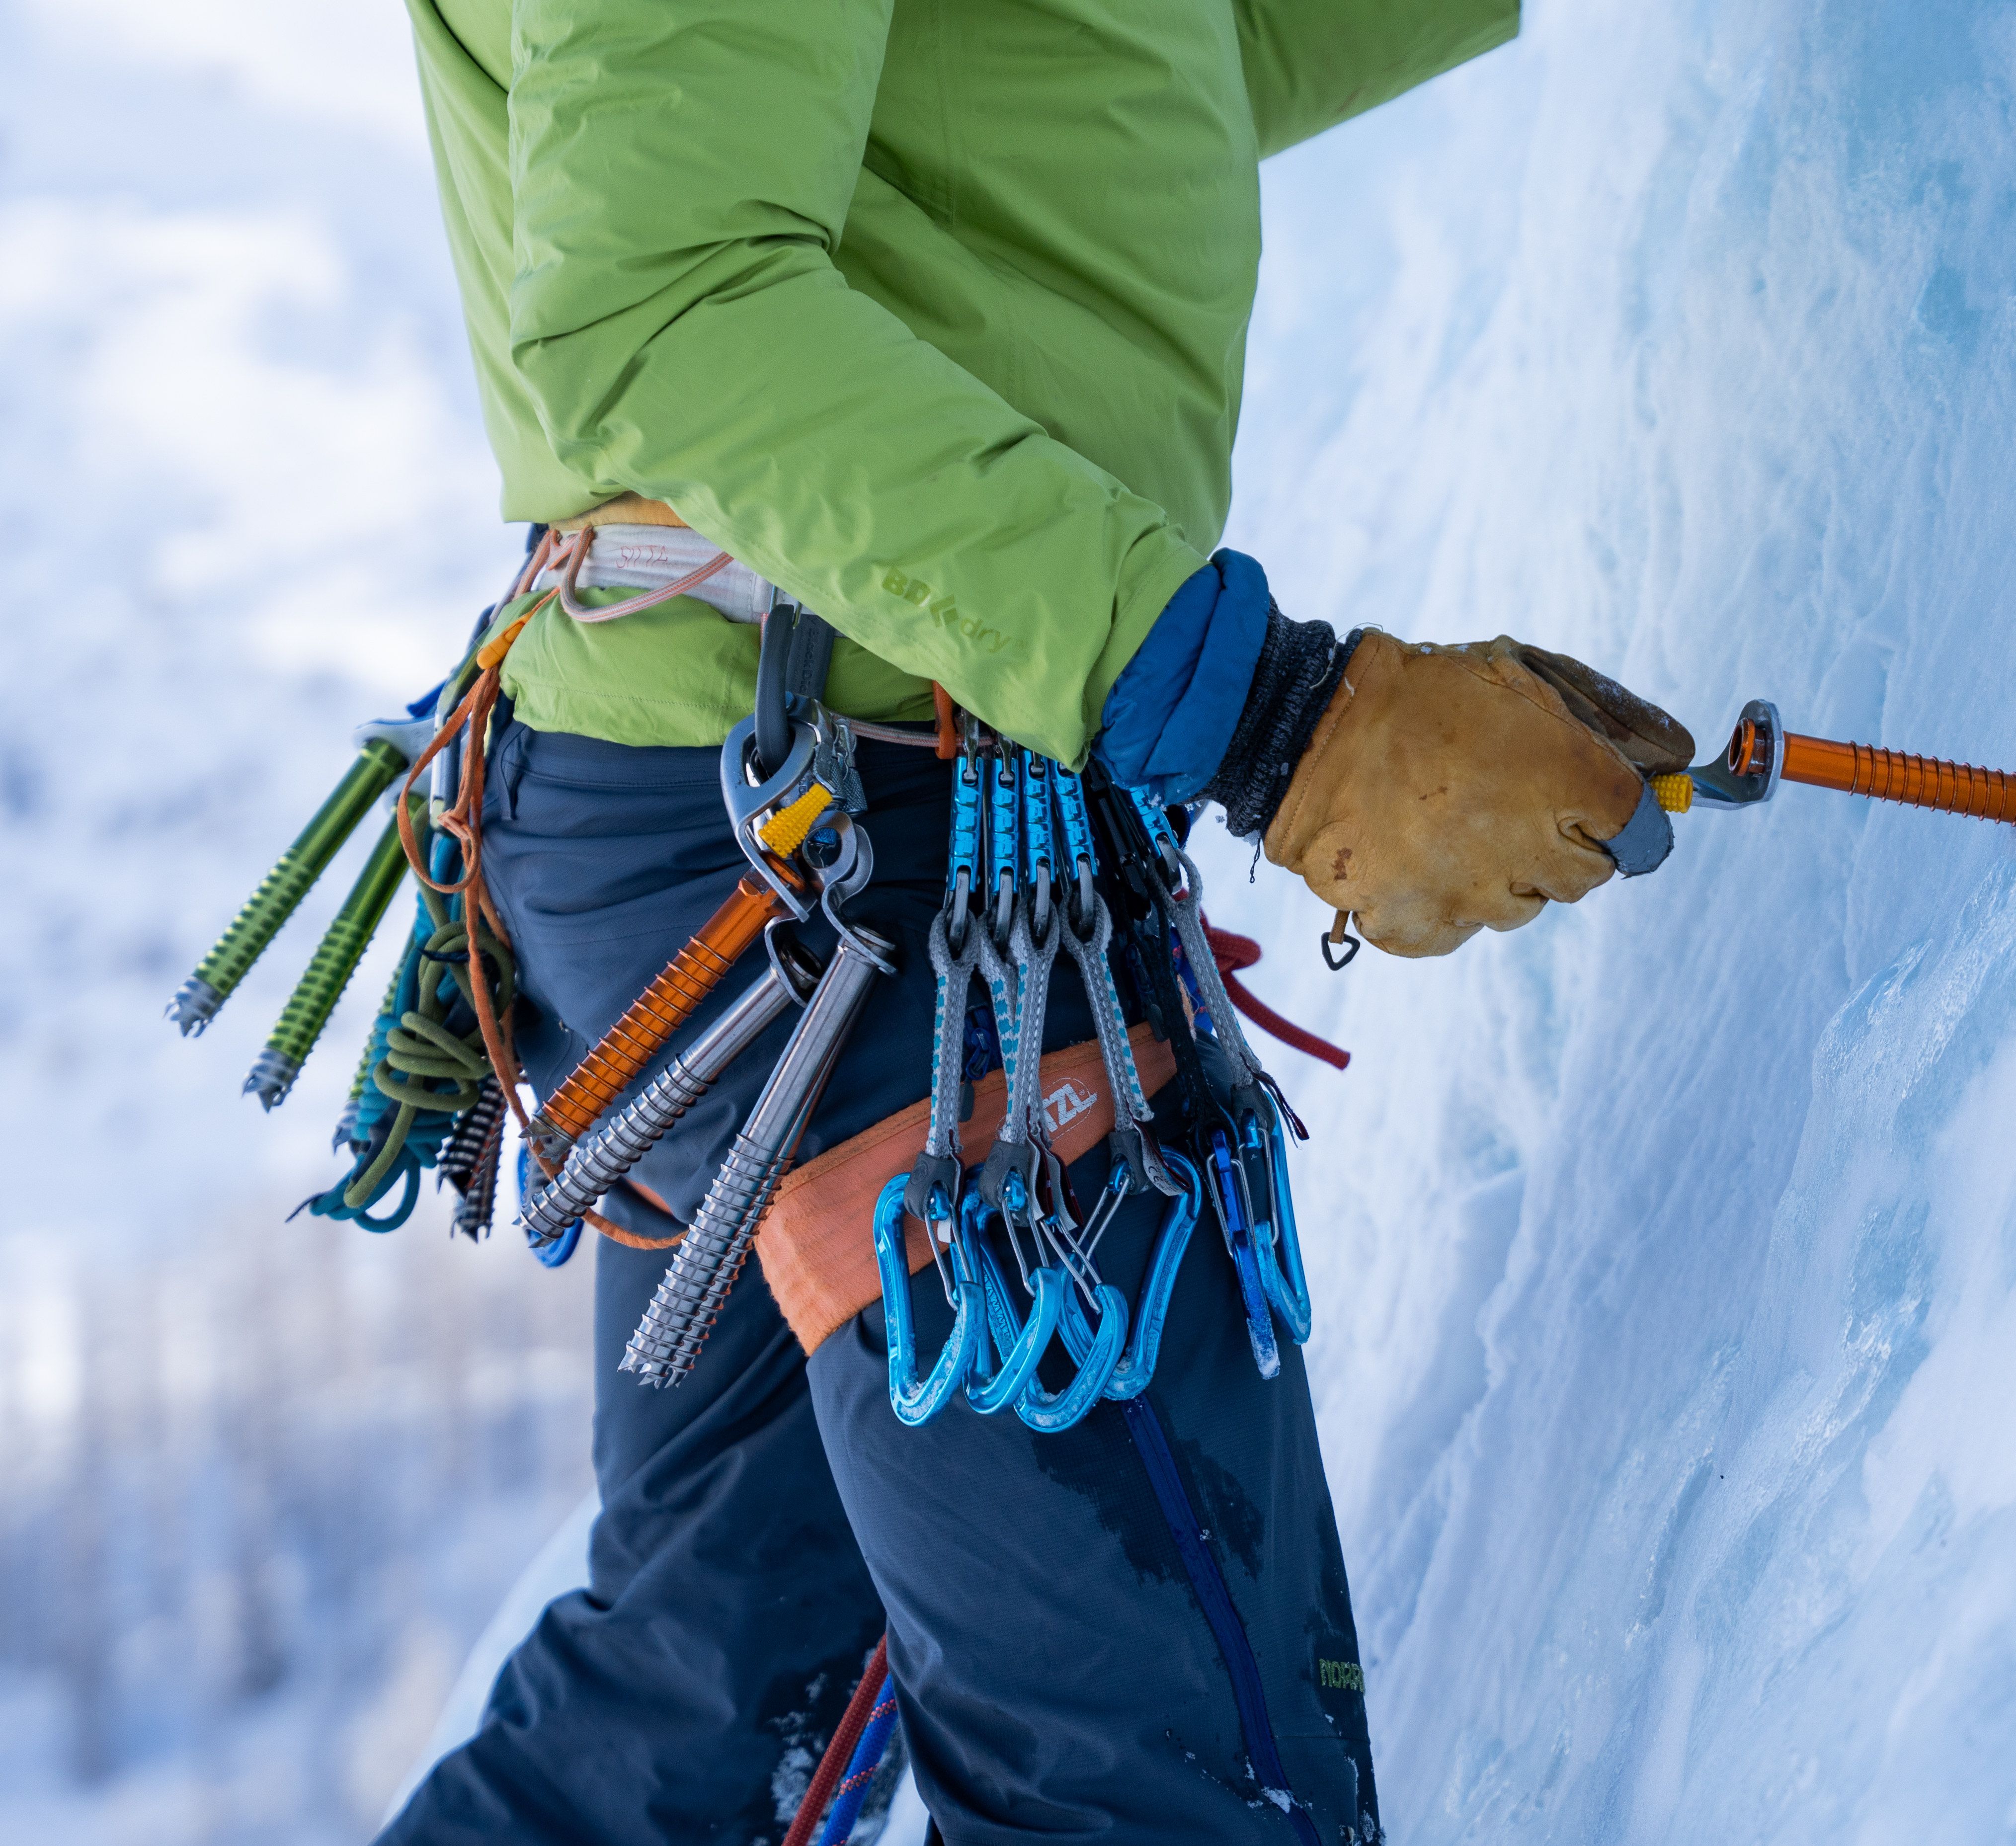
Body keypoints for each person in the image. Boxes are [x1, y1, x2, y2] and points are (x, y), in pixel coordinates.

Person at [379, 2, 1691, 1842]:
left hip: (758, 823)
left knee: (721, 1686)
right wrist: (1269, 712)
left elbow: (1095, 46)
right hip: (877, 837)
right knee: (1155, 1786)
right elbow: (661, 305)